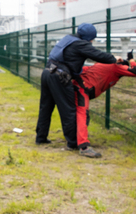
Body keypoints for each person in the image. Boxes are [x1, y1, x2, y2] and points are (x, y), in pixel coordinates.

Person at [35, 23, 116, 157]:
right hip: (59, 76)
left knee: (46, 107)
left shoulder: (68, 39)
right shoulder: (81, 44)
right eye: (92, 39)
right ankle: (73, 142)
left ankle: (41, 137)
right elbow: (98, 55)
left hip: (47, 72)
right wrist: (114, 59)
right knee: (69, 109)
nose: (92, 42)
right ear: (89, 37)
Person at [74, 51, 136, 157]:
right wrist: (131, 59)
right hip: (82, 89)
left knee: (78, 115)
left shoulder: (101, 64)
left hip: (77, 86)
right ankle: (83, 146)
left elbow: (83, 70)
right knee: (83, 115)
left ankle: (74, 141)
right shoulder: (116, 67)